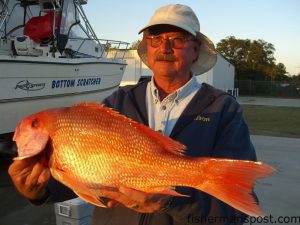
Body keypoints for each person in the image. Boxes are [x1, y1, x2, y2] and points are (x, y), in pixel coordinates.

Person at [8, 4, 257, 225]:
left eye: (178, 39)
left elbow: (232, 216)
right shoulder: (118, 101)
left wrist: (171, 203)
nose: (165, 47)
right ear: (147, 48)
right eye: (155, 38)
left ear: (195, 49)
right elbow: (78, 181)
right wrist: (37, 191)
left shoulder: (223, 109)